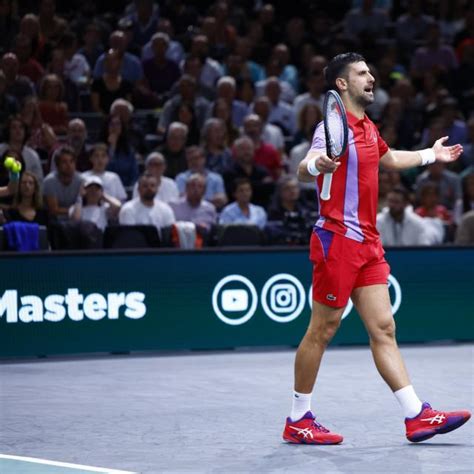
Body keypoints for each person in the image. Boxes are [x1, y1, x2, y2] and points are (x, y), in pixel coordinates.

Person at [287, 52, 470, 445]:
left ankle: (416, 416)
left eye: (371, 71)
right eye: (361, 73)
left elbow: (388, 158)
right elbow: (305, 165)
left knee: (384, 328)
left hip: (369, 243)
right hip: (337, 239)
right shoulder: (331, 127)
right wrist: (318, 165)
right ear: (342, 84)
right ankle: (298, 419)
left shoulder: (368, 127)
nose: (371, 77)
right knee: (323, 328)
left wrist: (429, 155)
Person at [175, 146, 227, 210]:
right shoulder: (181, 178)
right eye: (190, 159)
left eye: (196, 158)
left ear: (204, 159)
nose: (194, 162)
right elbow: (180, 199)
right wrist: (210, 200)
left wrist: (195, 200)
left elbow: (222, 200)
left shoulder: (216, 178)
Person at [43, 146, 83, 221]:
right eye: (64, 162)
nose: (69, 165)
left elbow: (84, 206)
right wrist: (73, 210)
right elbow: (54, 210)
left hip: (76, 220)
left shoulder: (82, 180)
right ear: (57, 165)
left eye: (71, 161)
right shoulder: (49, 181)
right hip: (54, 221)